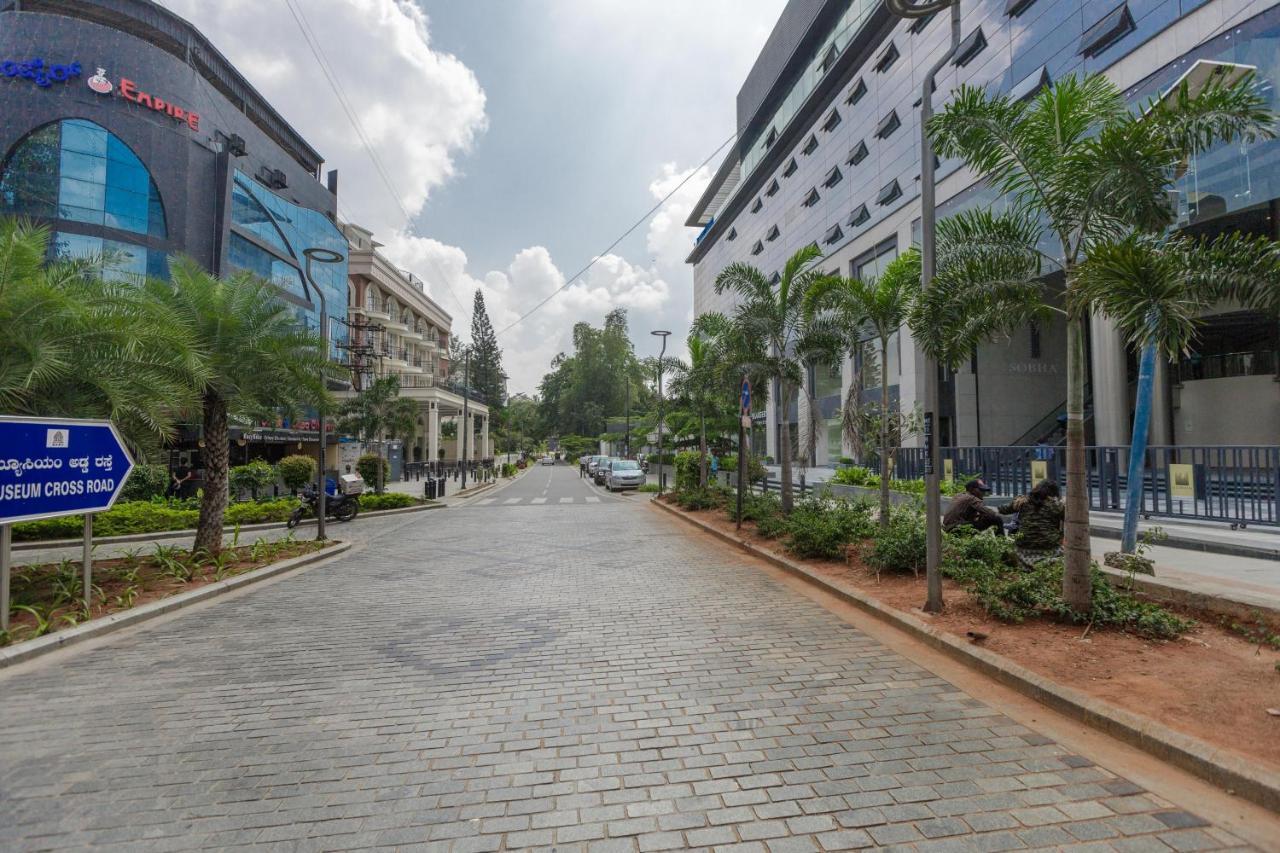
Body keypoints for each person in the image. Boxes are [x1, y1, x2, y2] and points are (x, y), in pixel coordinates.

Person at [999, 479, 1065, 568]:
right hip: (1049, 547)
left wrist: (1016, 501)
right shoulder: (1056, 505)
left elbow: (1002, 509)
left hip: (1023, 547)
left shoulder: (1023, 502)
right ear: (1054, 493)